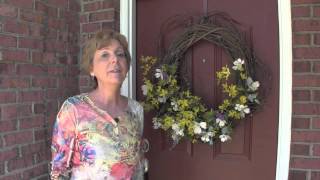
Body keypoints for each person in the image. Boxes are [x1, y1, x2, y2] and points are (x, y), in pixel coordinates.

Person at [50, 30, 147, 180]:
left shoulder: (136, 110)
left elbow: (138, 166)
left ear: (127, 67)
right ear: (91, 69)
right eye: (104, 55)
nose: (114, 59)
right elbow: (58, 171)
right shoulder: (73, 109)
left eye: (120, 54)